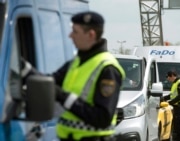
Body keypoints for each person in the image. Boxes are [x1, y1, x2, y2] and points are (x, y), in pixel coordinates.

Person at [21, 11, 125, 141]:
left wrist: (63, 97)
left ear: (91, 35)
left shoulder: (107, 68)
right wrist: (23, 68)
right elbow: (47, 83)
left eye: (75, 32)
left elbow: (102, 117)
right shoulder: (76, 62)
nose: (70, 36)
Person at [165, 71, 180, 141]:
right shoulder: (175, 83)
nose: (168, 79)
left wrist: (171, 102)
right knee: (176, 127)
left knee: (179, 127)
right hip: (176, 107)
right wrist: (163, 98)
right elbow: (172, 95)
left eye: (168, 78)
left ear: (172, 76)